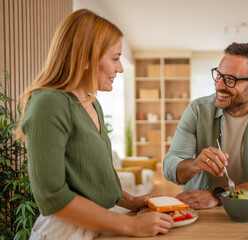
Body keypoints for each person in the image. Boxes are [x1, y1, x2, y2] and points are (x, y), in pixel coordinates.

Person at [15, 9, 173, 239]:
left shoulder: (92, 103)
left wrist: (133, 202)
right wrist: (130, 226)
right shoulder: (49, 103)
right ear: (87, 57)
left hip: (101, 224)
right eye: (116, 58)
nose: (120, 69)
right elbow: (51, 196)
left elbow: (95, 180)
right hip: (65, 232)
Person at [163, 42, 248, 209]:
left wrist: (218, 196)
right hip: (198, 209)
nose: (219, 85)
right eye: (219, 75)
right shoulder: (197, 110)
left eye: (230, 79)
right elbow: (170, 167)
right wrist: (195, 164)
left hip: (246, 207)